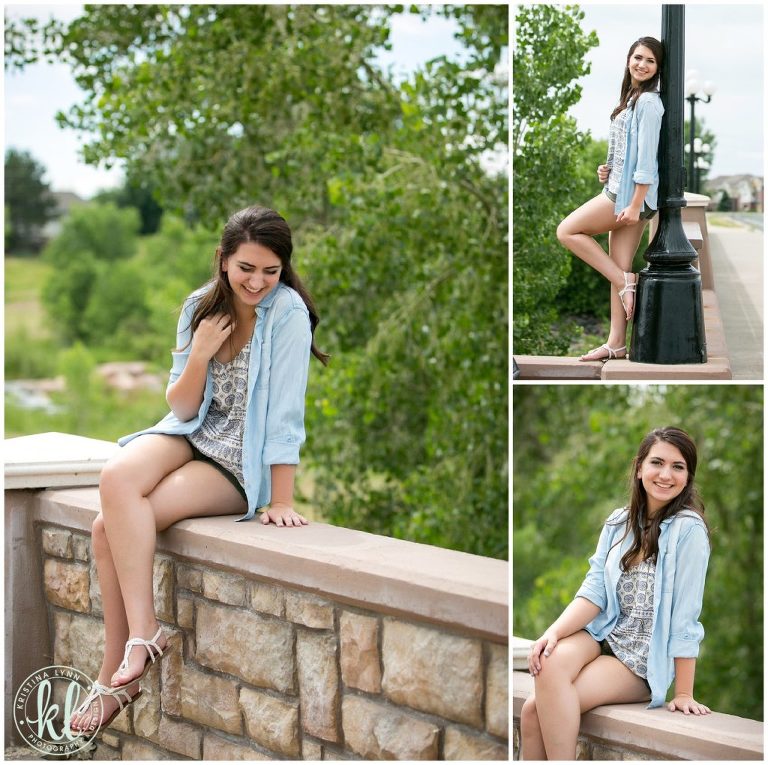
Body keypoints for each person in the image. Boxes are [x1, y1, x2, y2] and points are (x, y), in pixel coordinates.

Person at [69, 205, 328, 733]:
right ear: (223, 260)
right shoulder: (198, 307)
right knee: (116, 478)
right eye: (246, 268)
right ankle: (144, 634)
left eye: (271, 271)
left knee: (105, 530)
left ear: (283, 269)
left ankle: (114, 677)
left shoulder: (288, 315)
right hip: (191, 434)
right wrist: (200, 354)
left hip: (236, 463)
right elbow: (184, 409)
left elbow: (285, 412)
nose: (258, 282)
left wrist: (280, 499)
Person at [520, 427, 711, 760]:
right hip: (602, 637)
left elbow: (686, 615)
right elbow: (594, 590)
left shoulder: (689, 530)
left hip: (638, 660)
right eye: (657, 463)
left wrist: (683, 692)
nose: (666, 474)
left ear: (688, 477)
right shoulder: (618, 523)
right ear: (639, 468)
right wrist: (553, 632)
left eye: (678, 467)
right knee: (547, 662)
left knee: (534, 712)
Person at [557, 37, 664, 362]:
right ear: (628, 59)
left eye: (650, 61)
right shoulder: (631, 97)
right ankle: (617, 343)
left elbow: (646, 160)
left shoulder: (648, 103)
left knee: (567, 231)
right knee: (617, 266)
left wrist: (634, 204)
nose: (642, 65)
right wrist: (608, 167)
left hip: (627, 196)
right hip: (620, 189)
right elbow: (627, 151)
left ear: (657, 69)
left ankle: (624, 280)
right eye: (638, 57)